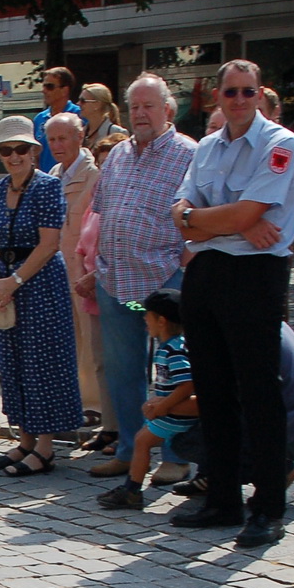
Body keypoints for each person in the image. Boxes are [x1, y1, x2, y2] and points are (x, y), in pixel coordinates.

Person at [170, 58, 294, 548]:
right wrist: (228, 223)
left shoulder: (281, 144)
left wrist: (213, 221)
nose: (240, 100)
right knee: (213, 389)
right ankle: (222, 498)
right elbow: (178, 212)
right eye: (231, 92)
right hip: (206, 272)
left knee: (259, 391)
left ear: (261, 94)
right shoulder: (207, 146)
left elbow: (245, 214)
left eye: (249, 91)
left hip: (256, 273)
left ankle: (268, 506)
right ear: (218, 97)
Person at [86, 74, 197, 478]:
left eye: (149, 106)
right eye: (134, 107)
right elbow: (102, 210)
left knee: (174, 372)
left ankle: (175, 457)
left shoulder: (189, 153)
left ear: (167, 109)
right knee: (124, 373)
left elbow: (200, 213)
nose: (141, 114)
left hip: (164, 280)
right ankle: (131, 452)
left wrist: (186, 260)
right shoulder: (117, 153)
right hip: (116, 281)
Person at [0, 115, 80, 476]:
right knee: (13, 360)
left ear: (33, 151)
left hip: (39, 281)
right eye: (7, 150)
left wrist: (14, 281)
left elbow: (49, 243)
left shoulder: (47, 187)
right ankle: (25, 439)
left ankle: (46, 447)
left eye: (21, 149)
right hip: (5, 280)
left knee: (43, 361)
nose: (14, 156)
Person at [168, 321, 294, 498]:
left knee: (185, 441)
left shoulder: (239, 334)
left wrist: (165, 406)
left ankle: (276, 471)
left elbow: (218, 402)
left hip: (291, 435)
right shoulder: (260, 319)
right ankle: (209, 474)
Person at [97, 289, 198, 510]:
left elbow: (187, 384)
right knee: (142, 439)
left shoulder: (173, 350)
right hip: (170, 409)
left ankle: (132, 490)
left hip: (174, 414)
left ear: (161, 321)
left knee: (142, 441)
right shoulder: (172, 346)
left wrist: (165, 405)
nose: (144, 319)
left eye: (147, 315)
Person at [47, 113, 110, 446]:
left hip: (82, 268)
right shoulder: (53, 175)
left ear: (80, 137)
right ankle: (71, 402)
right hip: (56, 269)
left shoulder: (94, 174)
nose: (57, 145)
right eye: (52, 140)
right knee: (66, 337)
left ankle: (94, 405)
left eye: (63, 138)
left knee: (89, 339)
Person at [32, 67, 80, 173]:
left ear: (64, 90)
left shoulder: (79, 116)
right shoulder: (39, 119)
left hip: (74, 178)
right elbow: (35, 155)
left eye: (49, 86)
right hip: (45, 179)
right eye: (43, 86)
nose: (44, 91)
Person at [78, 83, 128, 150]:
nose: (78, 103)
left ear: (97, 104)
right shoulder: (79, 133)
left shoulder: (117, 132)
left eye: (82, 101)